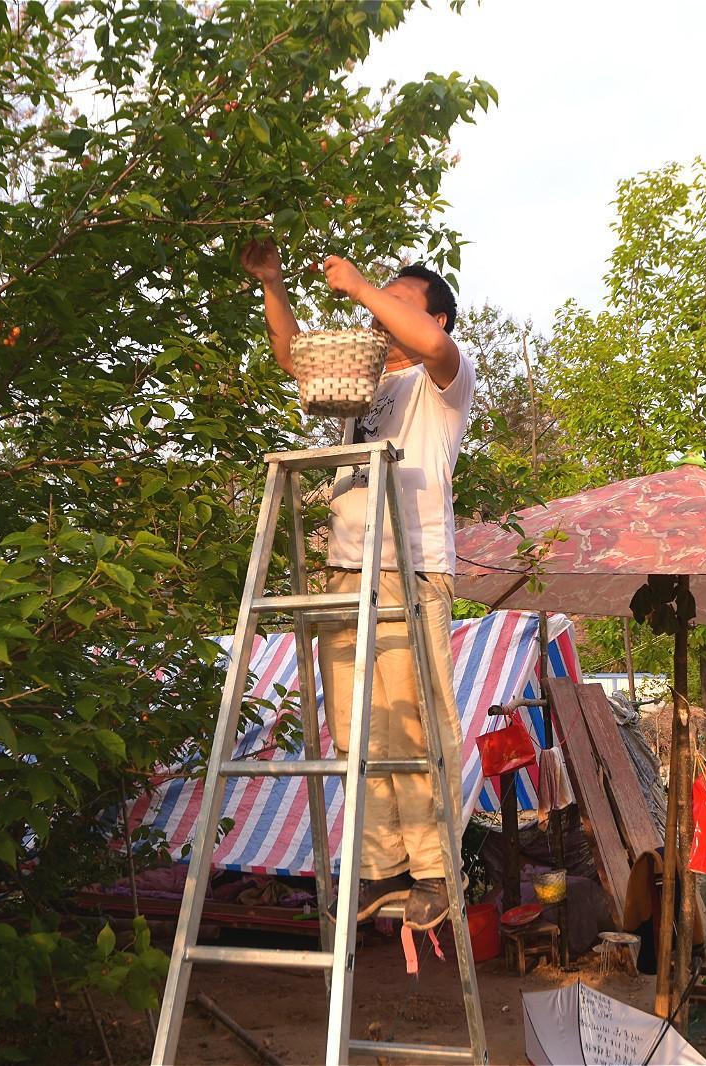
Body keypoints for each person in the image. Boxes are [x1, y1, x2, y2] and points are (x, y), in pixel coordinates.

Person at [241, 237, 474, 932]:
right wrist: (274, 285)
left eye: (399, 303)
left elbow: (431, 344)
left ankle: (435, 867)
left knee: (414, 722)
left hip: (408, 568)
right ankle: (379, 864)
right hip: (348, 569)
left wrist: (363, 286)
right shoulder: (361, 386)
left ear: (435, 318)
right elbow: (294, 357)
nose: (379, 313)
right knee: (357, 732)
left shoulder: (444, 382)